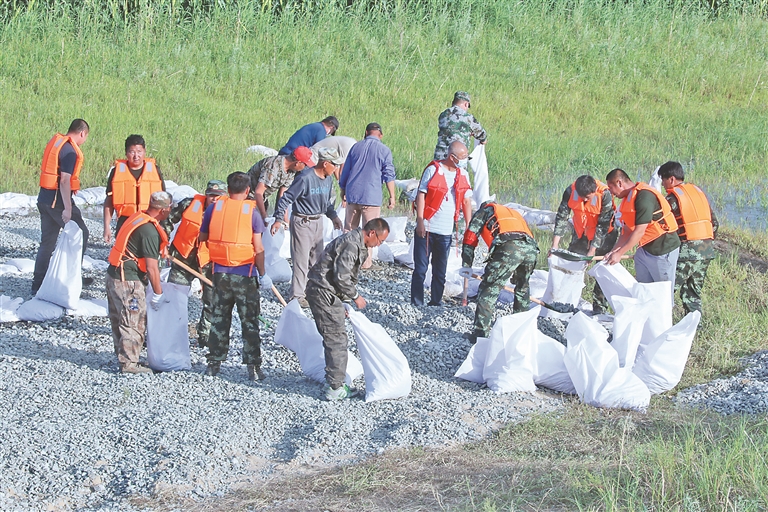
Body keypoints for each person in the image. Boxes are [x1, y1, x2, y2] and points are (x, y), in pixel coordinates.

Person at [199, 172, 272, 380]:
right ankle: (253, 367)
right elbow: (258, 248)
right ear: (248, 190)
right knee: (249, 320)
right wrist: (263, 274)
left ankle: (214, 363)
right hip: (245, 274)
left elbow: (203, 237)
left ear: (228, 190)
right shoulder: (253, 212)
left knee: (219, 318)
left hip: (220, 273)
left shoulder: (214, 208)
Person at [306, 218, 390, 400]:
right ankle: (334, 388)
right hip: (322, 292)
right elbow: (342, 277)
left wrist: (342, 302)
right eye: (380, 241)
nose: (378, 245)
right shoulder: (351, 244)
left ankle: (335, 381)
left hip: (327, 292)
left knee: (336, 335)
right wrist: (355, 297)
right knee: (336, 338)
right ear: (372, 233)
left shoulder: (356, 242)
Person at [105, 191, 172, 374]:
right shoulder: (149, 231)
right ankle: (129, 364)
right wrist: (158, 294)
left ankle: (122, 355)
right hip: (128, 282)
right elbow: (152, 268)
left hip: (113, 275)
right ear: (164, 209)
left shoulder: (138, 217)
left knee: (119, 318)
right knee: (134, 321)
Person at [271, 147, 344, 307]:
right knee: (301, 260)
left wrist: (334, 217)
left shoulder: (328, 179)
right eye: (335, 165)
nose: (337, 168)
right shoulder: (305, 178)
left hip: (318, 221)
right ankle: (296, 296)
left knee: (317, 259)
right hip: (302, 221)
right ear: (325, 163)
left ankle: (313, 291)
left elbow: (327, 203)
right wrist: (278, 219)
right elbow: (286, 198)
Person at [460, 202, 539, 343]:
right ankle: (521, 332)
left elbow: (470, 237)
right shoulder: (512, 213)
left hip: (510, 248)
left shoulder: (485, 211)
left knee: (488, 290)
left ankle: (480, 335)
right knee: (522, 288)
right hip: (531, 249)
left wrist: (466, 264)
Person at [33, 119, 92, 293]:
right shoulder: (70, 151)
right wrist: (67, 208)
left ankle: (38, 284)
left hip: (44, 200)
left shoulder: (57, 142)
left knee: (47, 243)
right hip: (57, 203)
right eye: (85, 137)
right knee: (81, 234)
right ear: (82, 133)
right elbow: (65, 181)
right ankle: (71, 281)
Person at [411, 141, 473, 306]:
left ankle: (436, 301)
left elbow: (466, 201)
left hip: (446, 231)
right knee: (421, 269)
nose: (464, 160)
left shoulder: (463, 175)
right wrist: (420, 221)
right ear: (452, 157)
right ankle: (417, 302)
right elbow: (421, 195)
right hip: (428, 227)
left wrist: (469, 226)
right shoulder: (434, 170)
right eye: (462, 157)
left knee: (440, 271)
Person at [167, 180, 227, 348]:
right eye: (211, 195)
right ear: (206, 194)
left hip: (209, 261)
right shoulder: (189, 204)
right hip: (182, 257)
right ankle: (171, 331)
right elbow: (168, 219)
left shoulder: (227, 212)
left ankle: (205, 335)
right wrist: (163, 242)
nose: (214, 199)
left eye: (218, 196)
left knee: (212, 299)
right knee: (175, 295)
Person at [604, 169, 680, 295]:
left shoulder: (644, 196)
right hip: (644, 250)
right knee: (643, 291)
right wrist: (613, 251)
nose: (611, 192)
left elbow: (639, 231)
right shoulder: (627, 200)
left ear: (619, 183)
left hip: (663, 250)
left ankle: (663, 315)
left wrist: (620, 254)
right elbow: (627, 231)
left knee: (662, 294)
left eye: (611, 188)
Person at [551, 175, 619, 314]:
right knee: (570, 265)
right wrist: (555, 246)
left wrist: (592, 250)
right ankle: (565, 303)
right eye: (584, 198)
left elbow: (603, 226)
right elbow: (562, 217)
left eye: (589, 197)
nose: (587, 200)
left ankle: (599, 309)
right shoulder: (570, 191)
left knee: (603, 270)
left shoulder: (604, 195)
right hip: (581, 233)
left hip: (605, 236)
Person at [658, 161, 718, 314]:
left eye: (663, 180)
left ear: (671, 179)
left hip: (687, 252)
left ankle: (657, 325)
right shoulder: (698, 194)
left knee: (666, 290)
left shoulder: (672, 199)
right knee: (692, 293)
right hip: (707, 251)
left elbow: (662, 225)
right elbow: (715, 224)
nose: (663, 185)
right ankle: (695, 327)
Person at [338, 122, 396, 269]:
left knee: (350, 229)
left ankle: (347, 259)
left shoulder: (355, 147)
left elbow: (345, 171)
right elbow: (389, 175)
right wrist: (392, 196)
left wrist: (343, 190)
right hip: (371, 196)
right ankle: (365, 263)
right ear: (380, 135)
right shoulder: (384, 150)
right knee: (371, 231)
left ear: (366, 132)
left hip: (353, 193)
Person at [103, 134, 166, 243]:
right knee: (123, 256)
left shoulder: (155, 170)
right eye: (132, 152)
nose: (136, 156)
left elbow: (164, 201)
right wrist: (106, 227)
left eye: (139, 151)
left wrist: (162, 227)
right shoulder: (116, 172)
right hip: (125, 220)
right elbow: (109, 201)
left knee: (148, 256)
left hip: (149, 220)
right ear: (126, 153)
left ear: (144, 151)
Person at [247, 146, 315, 225]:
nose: (304, 168)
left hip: (262, 198)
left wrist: (285, 220)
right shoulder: (273, 166)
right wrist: (263, 216)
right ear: (298, 163)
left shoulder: (291, 171)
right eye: (305, 165)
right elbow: (258, 192)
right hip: (248, 197)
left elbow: (283, 196)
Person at [434, 91, 487, 160]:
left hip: (440, 157)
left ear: (453, 102)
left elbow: (450, 130)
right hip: (457, 158)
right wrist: (483, 140)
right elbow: (482, 136)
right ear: (466, 104)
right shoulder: (468, 118)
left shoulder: (443, 115)